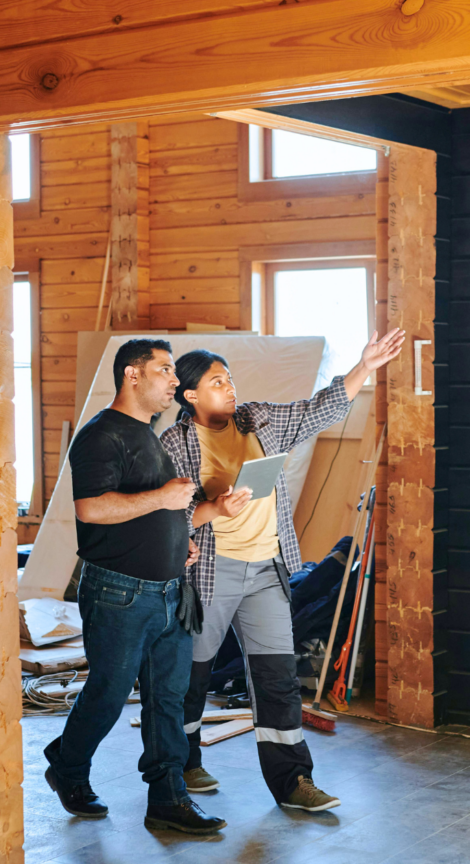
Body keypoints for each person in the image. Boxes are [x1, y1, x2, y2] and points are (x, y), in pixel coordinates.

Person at [162, 328, 406, 813]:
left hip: (267, 569)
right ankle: (182, 763)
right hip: (212, 572)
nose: (229, 388)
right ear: (189, 396)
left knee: (276, 677)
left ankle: (294, 781)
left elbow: (320, 408)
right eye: (216, 382)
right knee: (193, 674)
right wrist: (215, 507)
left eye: (229, 379)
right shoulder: (175, 443)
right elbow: (167, 515)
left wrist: (365, 366)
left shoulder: (259, 420)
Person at [44, 338, 227, 835]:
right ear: (132, 375)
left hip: (170, 590)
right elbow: (92, 509)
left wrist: (180, 543)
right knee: (108, 692)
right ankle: (68, 765)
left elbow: (155, 510)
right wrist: (165, 499)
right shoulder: (101, 436)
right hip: (119, 593)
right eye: (165, 371)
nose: (174, 380)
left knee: (168, 699)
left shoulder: (150, 434)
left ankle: (168, 799)